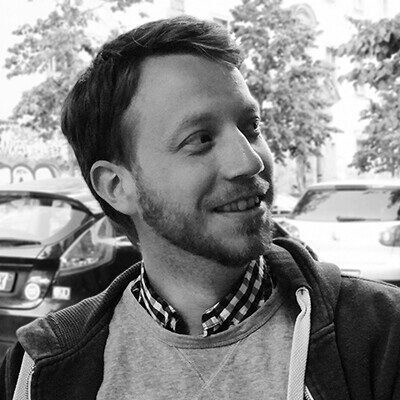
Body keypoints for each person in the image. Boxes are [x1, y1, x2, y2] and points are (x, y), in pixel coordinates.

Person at [1, 15, 400, 400]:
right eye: (201, 139)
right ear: (117, 186)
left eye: (251, 127)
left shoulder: (380, 335)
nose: (249, 161)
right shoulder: (40, 369)